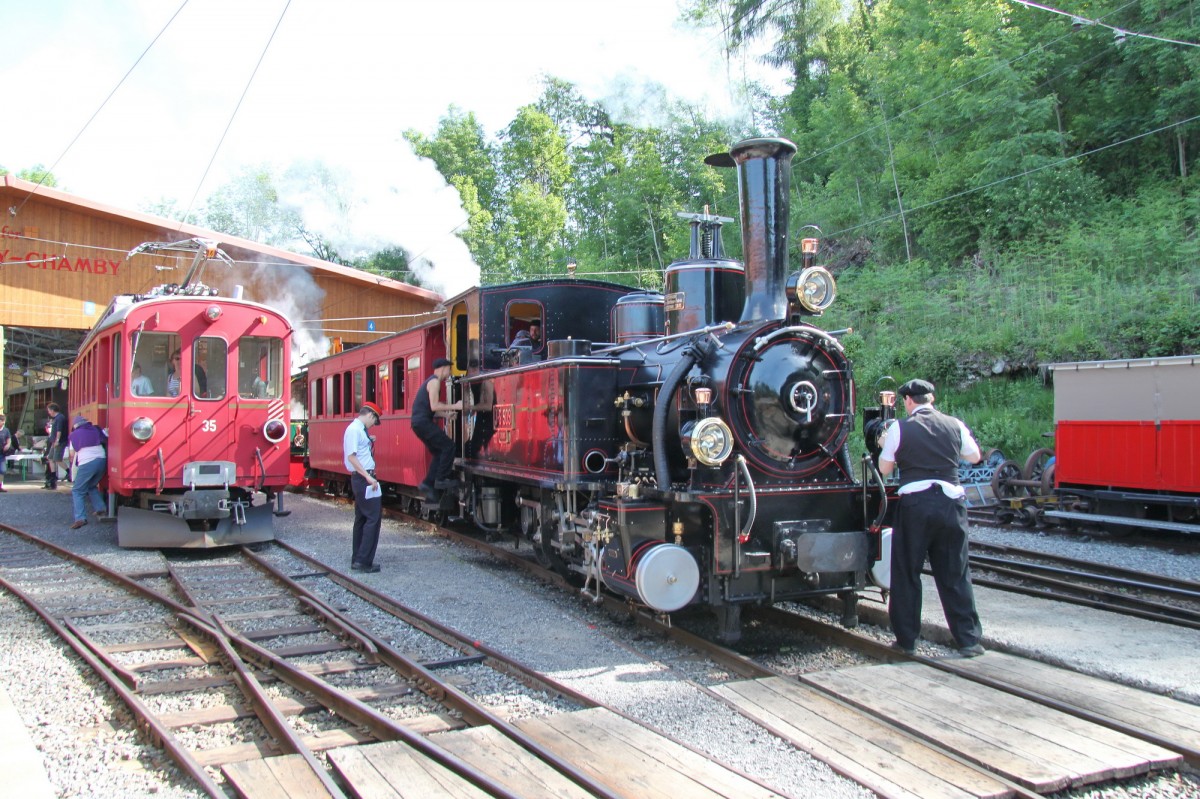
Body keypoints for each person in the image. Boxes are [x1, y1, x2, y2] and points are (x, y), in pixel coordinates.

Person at [878, 379, 985, 658]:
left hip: (916, 505)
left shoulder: (899, 428)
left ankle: (907, 641)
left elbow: (885, 468)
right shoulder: (954, 424)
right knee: (956, 573)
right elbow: (974, 456)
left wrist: (886, 445)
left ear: (908, 401)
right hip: (951, 503)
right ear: (932, 399)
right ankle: (969, 641)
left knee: (907, 574)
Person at [412, 358, 462, 501]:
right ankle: (440, 479)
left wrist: (447, 415)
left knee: (438, 451)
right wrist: (455, 406)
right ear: (443, 368)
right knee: (449, 446)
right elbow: (434, 406)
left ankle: (428, 484)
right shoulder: (434, 382)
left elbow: (430, 409)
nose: (449, 372)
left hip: (419, 422)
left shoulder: (431, 381)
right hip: (423, 422)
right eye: (449, 369)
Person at [343, 402, 383, 572]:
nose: (374, 424)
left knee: (361, 519)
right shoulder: (354, 430)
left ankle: (358, 558)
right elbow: (351, 457)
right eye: (374, 421)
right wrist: (368, 477)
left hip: (362, 478)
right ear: (370, 415)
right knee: (373, 518)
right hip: (363, 478)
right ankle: (363, 561)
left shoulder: (358, 430)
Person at [66, 416, 107, 529]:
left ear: (75, 426)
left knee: (77, 490)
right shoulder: (96, 429)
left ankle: (80, 518)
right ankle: (101, 509)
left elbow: (72, 454)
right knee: (91, 485)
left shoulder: (74, 435)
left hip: (87, 462)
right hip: (102, 460)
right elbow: (105, 439)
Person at [44, 402, 68, 489]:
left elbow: (59, 430)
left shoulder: (60, 418)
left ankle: (68, 472)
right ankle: (53, 477)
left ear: (52, 410)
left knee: (57, 459)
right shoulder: (56, 418)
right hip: (54, 441)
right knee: (50, 458)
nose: (48, 412)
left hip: (59, 441)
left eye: (49, 410)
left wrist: (57, 440)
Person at [0, 411, 16, 493]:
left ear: (3, 422)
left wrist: (8, 445)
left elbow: (9, 439)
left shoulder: (6, 430)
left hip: (2, 453)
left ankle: (0, 486)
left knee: (2, 470)